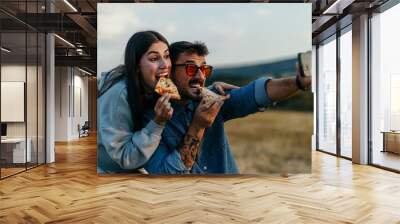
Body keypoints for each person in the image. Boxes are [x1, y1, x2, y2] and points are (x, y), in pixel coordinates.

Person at [144, 41, 311, 174]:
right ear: (169, 71)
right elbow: (167, 175)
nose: (200, 76)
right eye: (190, 68)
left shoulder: (212, 97)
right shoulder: (150, 119)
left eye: (204, 69)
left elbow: (256, 93)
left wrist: (297, 83)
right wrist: (198, 126)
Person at [97, 31, 236, 173]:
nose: (165, 65)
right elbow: (124, 157)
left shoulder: (154, 84)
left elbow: (186, 88)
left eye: (167, 56)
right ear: (137, 65)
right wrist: (157, 123)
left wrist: (208, 89)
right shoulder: (119, 95)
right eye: (153, 59)